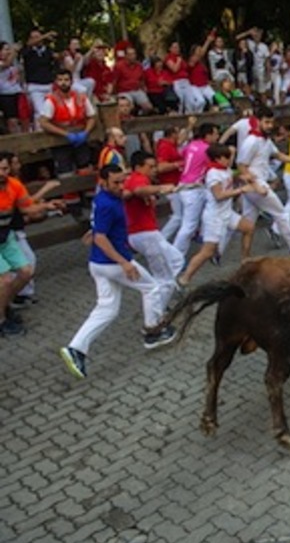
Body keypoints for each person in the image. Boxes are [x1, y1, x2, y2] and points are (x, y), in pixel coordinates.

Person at [59, 165, 177, 379]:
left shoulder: (105, 198)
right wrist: (124, 263)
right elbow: (101, 238)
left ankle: (76, 349)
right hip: (111, 263)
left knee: (107, 309)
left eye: (122, 181)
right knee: (151, 288)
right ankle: (153, 332)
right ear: (102, 181)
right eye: (115, 182)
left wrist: (93, 231)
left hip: (98, 264)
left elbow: (100, 229)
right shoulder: (107, 204)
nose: (120, 186)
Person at [236, 107, 290, 256]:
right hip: (257, 184)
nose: (270, 126)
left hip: (255, 185)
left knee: (248, 225)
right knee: (281, 213)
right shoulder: (251, 141)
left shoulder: (265, 140)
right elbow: (241, 166)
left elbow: (278, 155)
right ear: (258, 121)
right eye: (266, 122)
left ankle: (237, 255)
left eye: (271, 122)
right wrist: (256, 185)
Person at [0, 152, 62, 336]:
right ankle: (1, 321)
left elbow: (26, 207)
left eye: (4, 168)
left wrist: (47, 206)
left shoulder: (14, 185)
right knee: (4, 281)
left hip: (6, 235)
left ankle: (3, 306)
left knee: (26, 272)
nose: (1, 173)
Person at [177, 145, 258, 286]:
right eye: (226, 158)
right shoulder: (213, 173)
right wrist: (241, 190)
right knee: (207, 252)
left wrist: (243, 176)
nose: (229, 160)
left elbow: (232, 173)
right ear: (218, 159)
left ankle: (245, 261)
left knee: (249, 228)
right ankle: (184, 278)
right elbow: (219, 195)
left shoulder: (224, 169)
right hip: (214, 217)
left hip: (227, 213)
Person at [123, 150, 184, 312]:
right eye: (150, 167)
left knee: (177, 259)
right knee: (164, 279)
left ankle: (167, 293)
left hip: (147, 233)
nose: (153, 170)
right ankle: (157, 313)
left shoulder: (138, 179)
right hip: (145, 234)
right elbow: (138, 191)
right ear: (138, 167)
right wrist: (161, 188)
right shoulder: (138, 178)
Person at [172, 123, 220, 257]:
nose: (217, 137)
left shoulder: (192, 144)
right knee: (189, 226)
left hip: (184, 184)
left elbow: (182, 154)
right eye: (215, 134)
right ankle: (175, 257)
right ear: (208, 135)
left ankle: (205, 236)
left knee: (191, 221)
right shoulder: (208, 150)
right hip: (194, 188)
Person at [37, 69, 97, 176]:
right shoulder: (51, 100)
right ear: (56, 82)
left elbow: (92, 117)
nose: (63, 83)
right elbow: (43, 122)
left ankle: (86, 192)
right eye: (60, 80)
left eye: (66, 79)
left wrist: (85, 133)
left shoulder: (81, 97)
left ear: (71, 81)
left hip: (80, 138)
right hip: (60, 141)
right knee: (65, 172)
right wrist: (66, 134)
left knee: (85, 170)